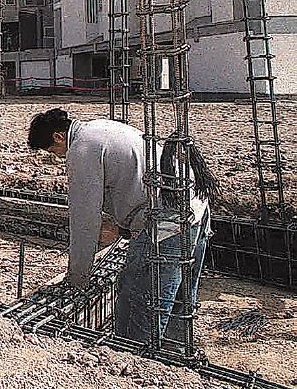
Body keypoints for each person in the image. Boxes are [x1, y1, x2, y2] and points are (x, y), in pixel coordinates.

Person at [27, 108, 218, 348]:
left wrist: (77, 279)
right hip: (194, 211)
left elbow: (85, 220)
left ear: (58, 137)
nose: (57, 156)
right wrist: (124, 228)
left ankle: (134, 367)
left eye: (53, 151)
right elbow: (132, 182)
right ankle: (173, 361)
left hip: (167, 222)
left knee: (137, 304)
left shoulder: (81, 148)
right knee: (177, 302)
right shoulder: (100, 128)